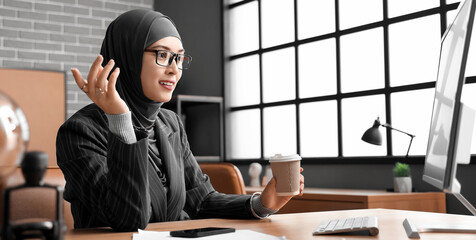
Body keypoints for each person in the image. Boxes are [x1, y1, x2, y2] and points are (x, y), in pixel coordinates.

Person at [56, 9, 304, 231]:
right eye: (162, 55)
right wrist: (120, 120)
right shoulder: (79, 132)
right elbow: (128, 219)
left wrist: (261, 204)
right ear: (127, 58)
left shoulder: (170, 123)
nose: (174, 69)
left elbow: (201, 200)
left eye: (179, 58)